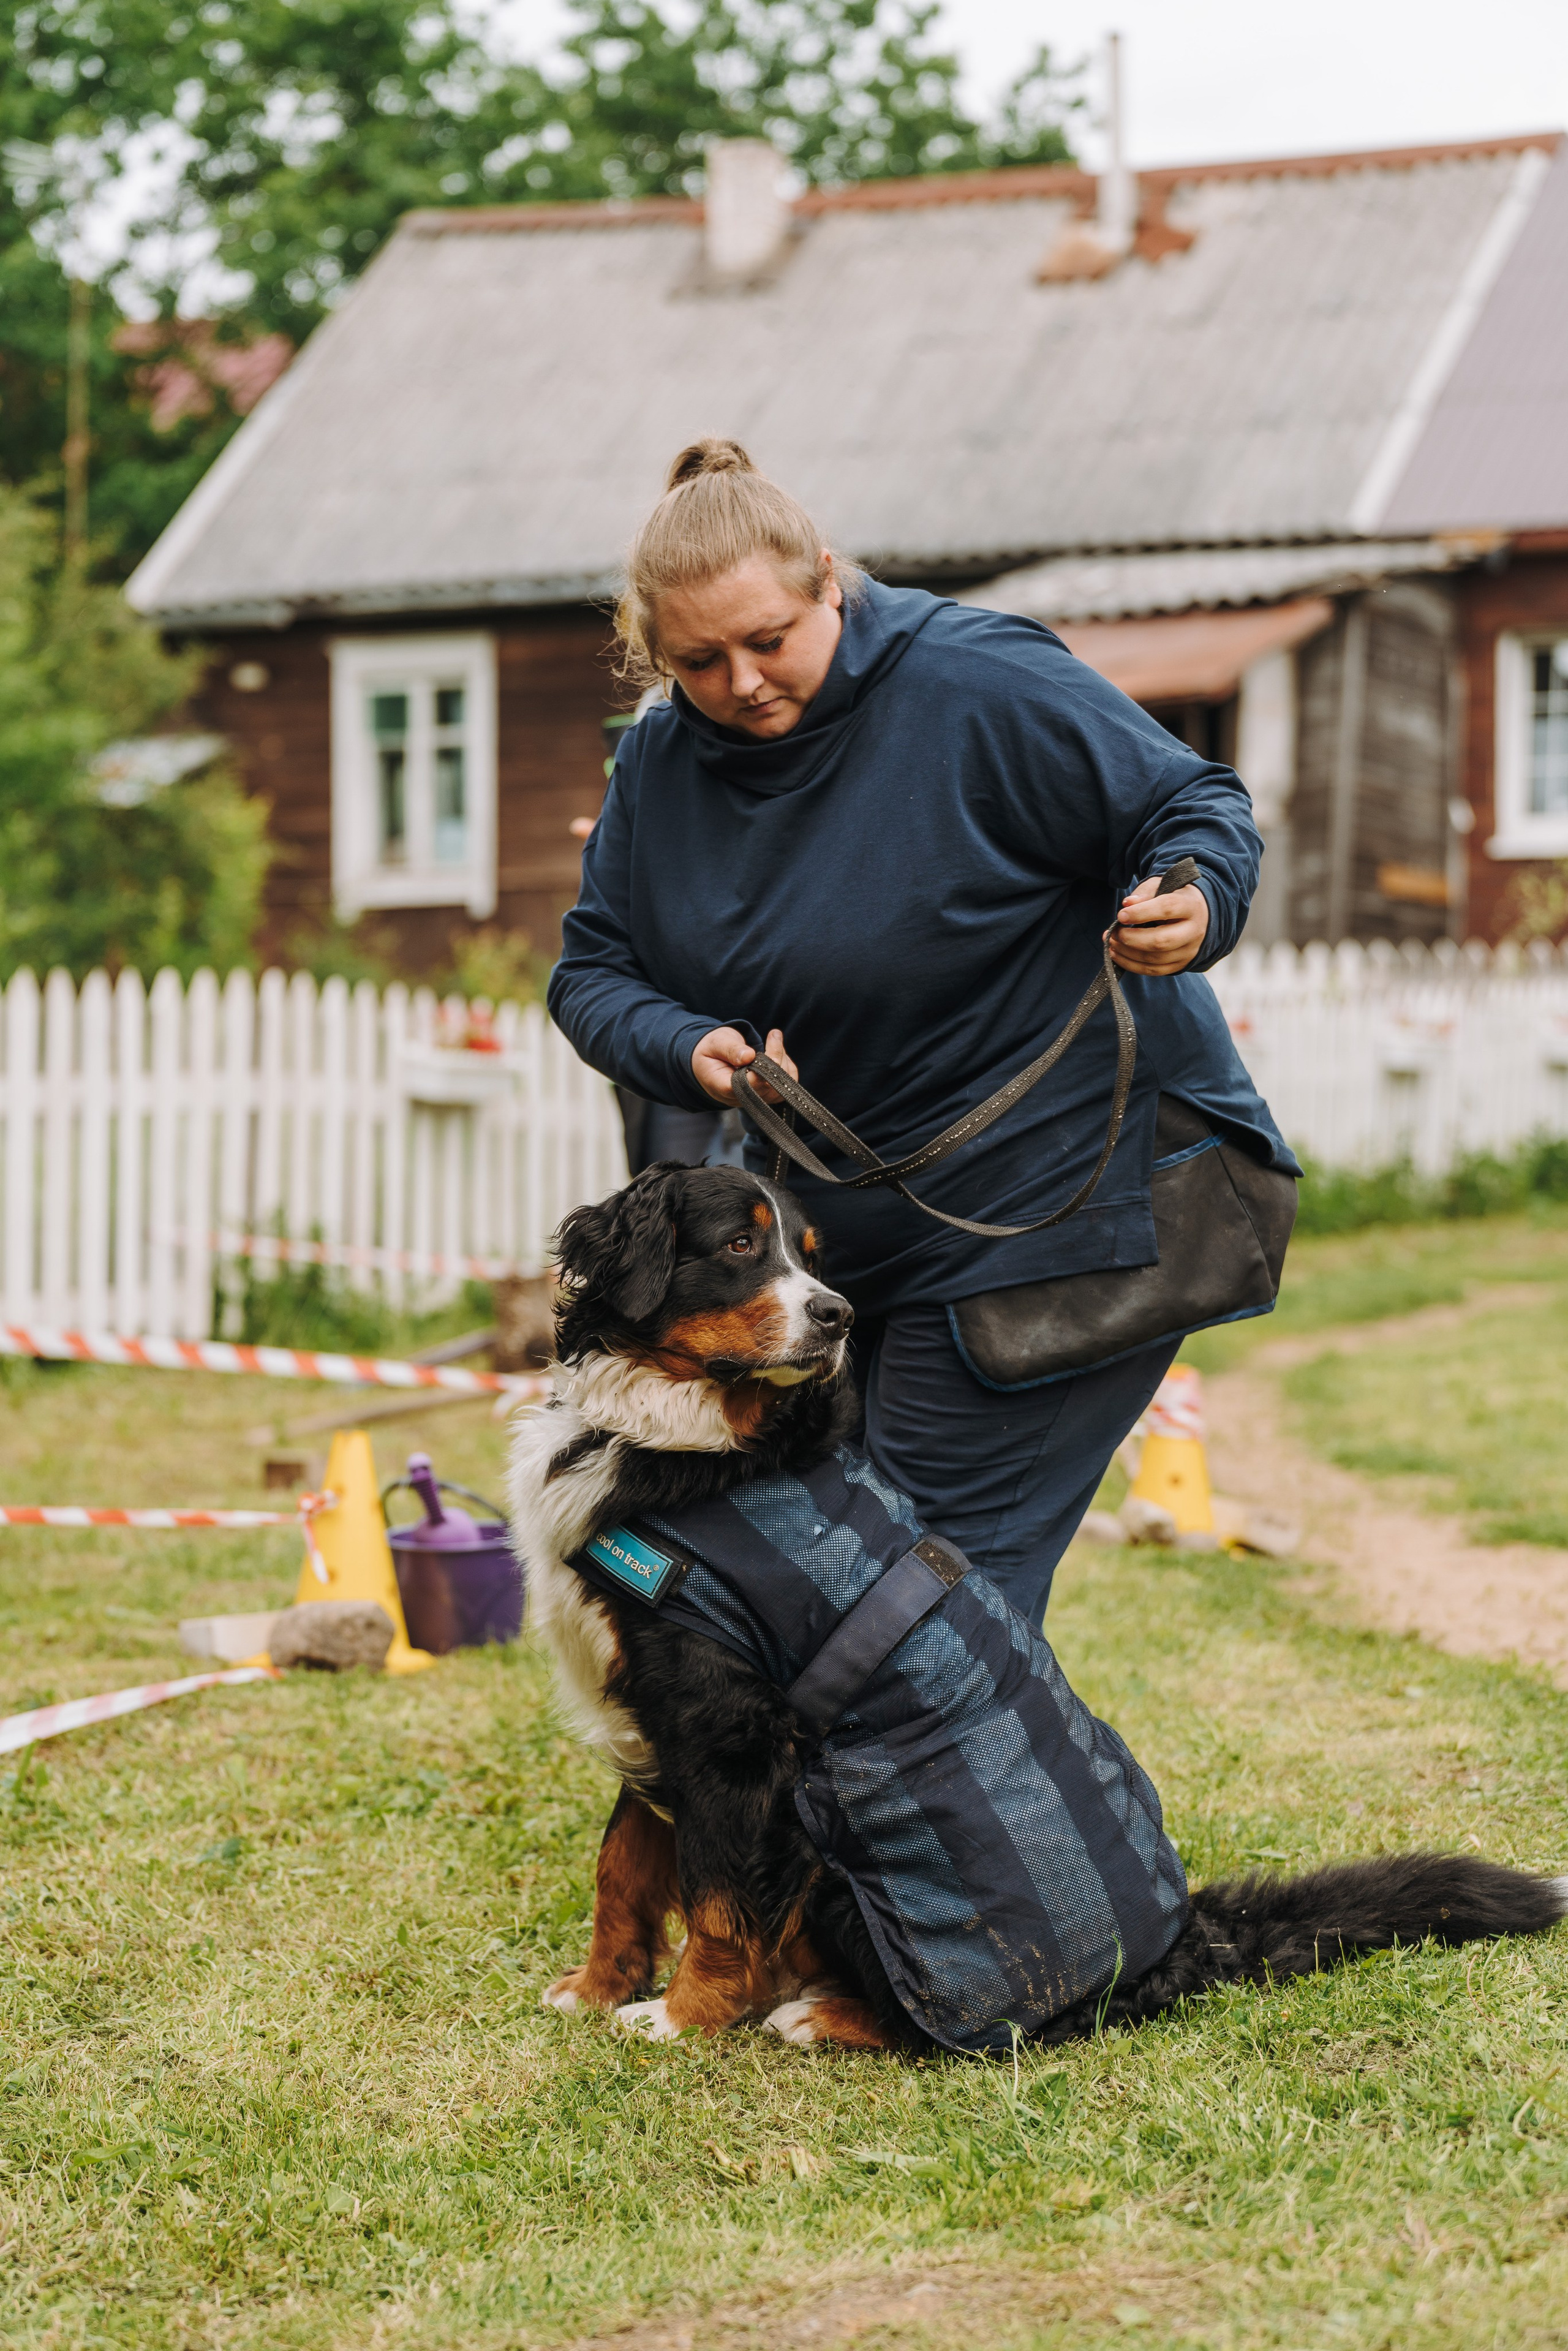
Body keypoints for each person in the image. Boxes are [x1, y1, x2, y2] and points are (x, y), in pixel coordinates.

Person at [549, 440, 1297, 1623]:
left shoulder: (978, 682)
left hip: (1064, 1209)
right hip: (837, 1246)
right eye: (698, 660)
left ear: (829, 584)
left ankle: (997, 1811)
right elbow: (592, 970)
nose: (740, 681)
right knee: (838, 1583)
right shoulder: (656, 759)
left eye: (770, 639)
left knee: (924, 1600)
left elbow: (1190, 802)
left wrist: (1194, 893)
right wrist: (686, 1043)